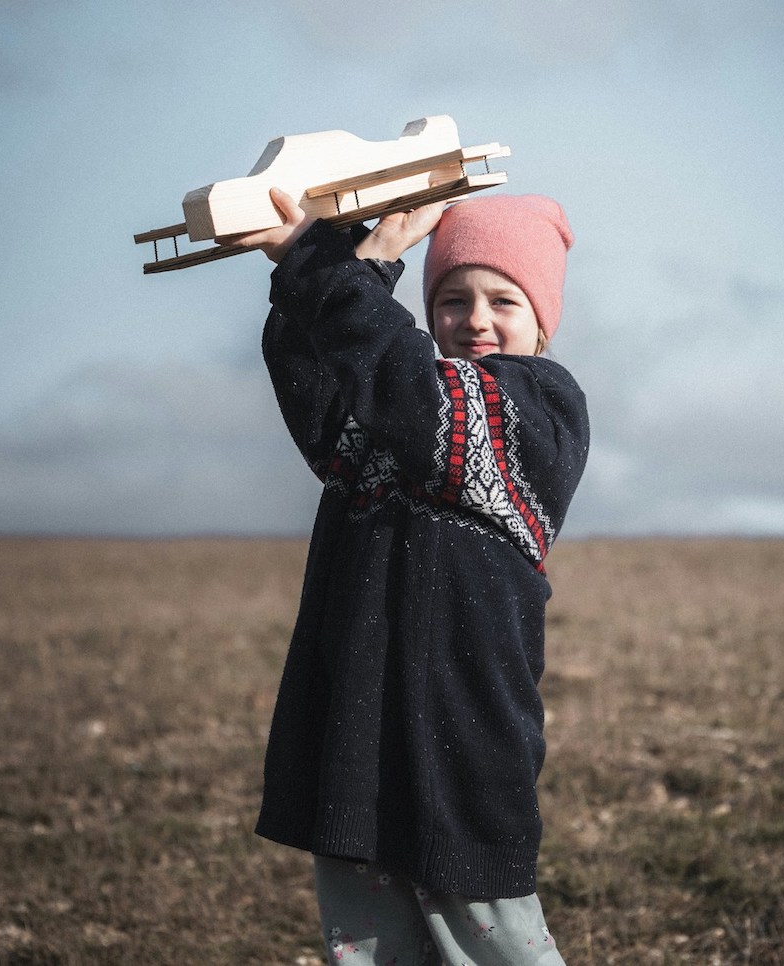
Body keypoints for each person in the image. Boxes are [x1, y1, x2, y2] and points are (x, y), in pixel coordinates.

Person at [219, 186, 589, 965]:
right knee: (375, 952)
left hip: (466, 744)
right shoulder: (392, 408)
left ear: (543, 321)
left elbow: (416, 396)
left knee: (499, 951)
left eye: (503, 299)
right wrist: (357, 264)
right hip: (357, 738)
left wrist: (329, 266)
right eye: (451, 298)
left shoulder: (539, 409)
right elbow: (316, 383)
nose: (476, 319)